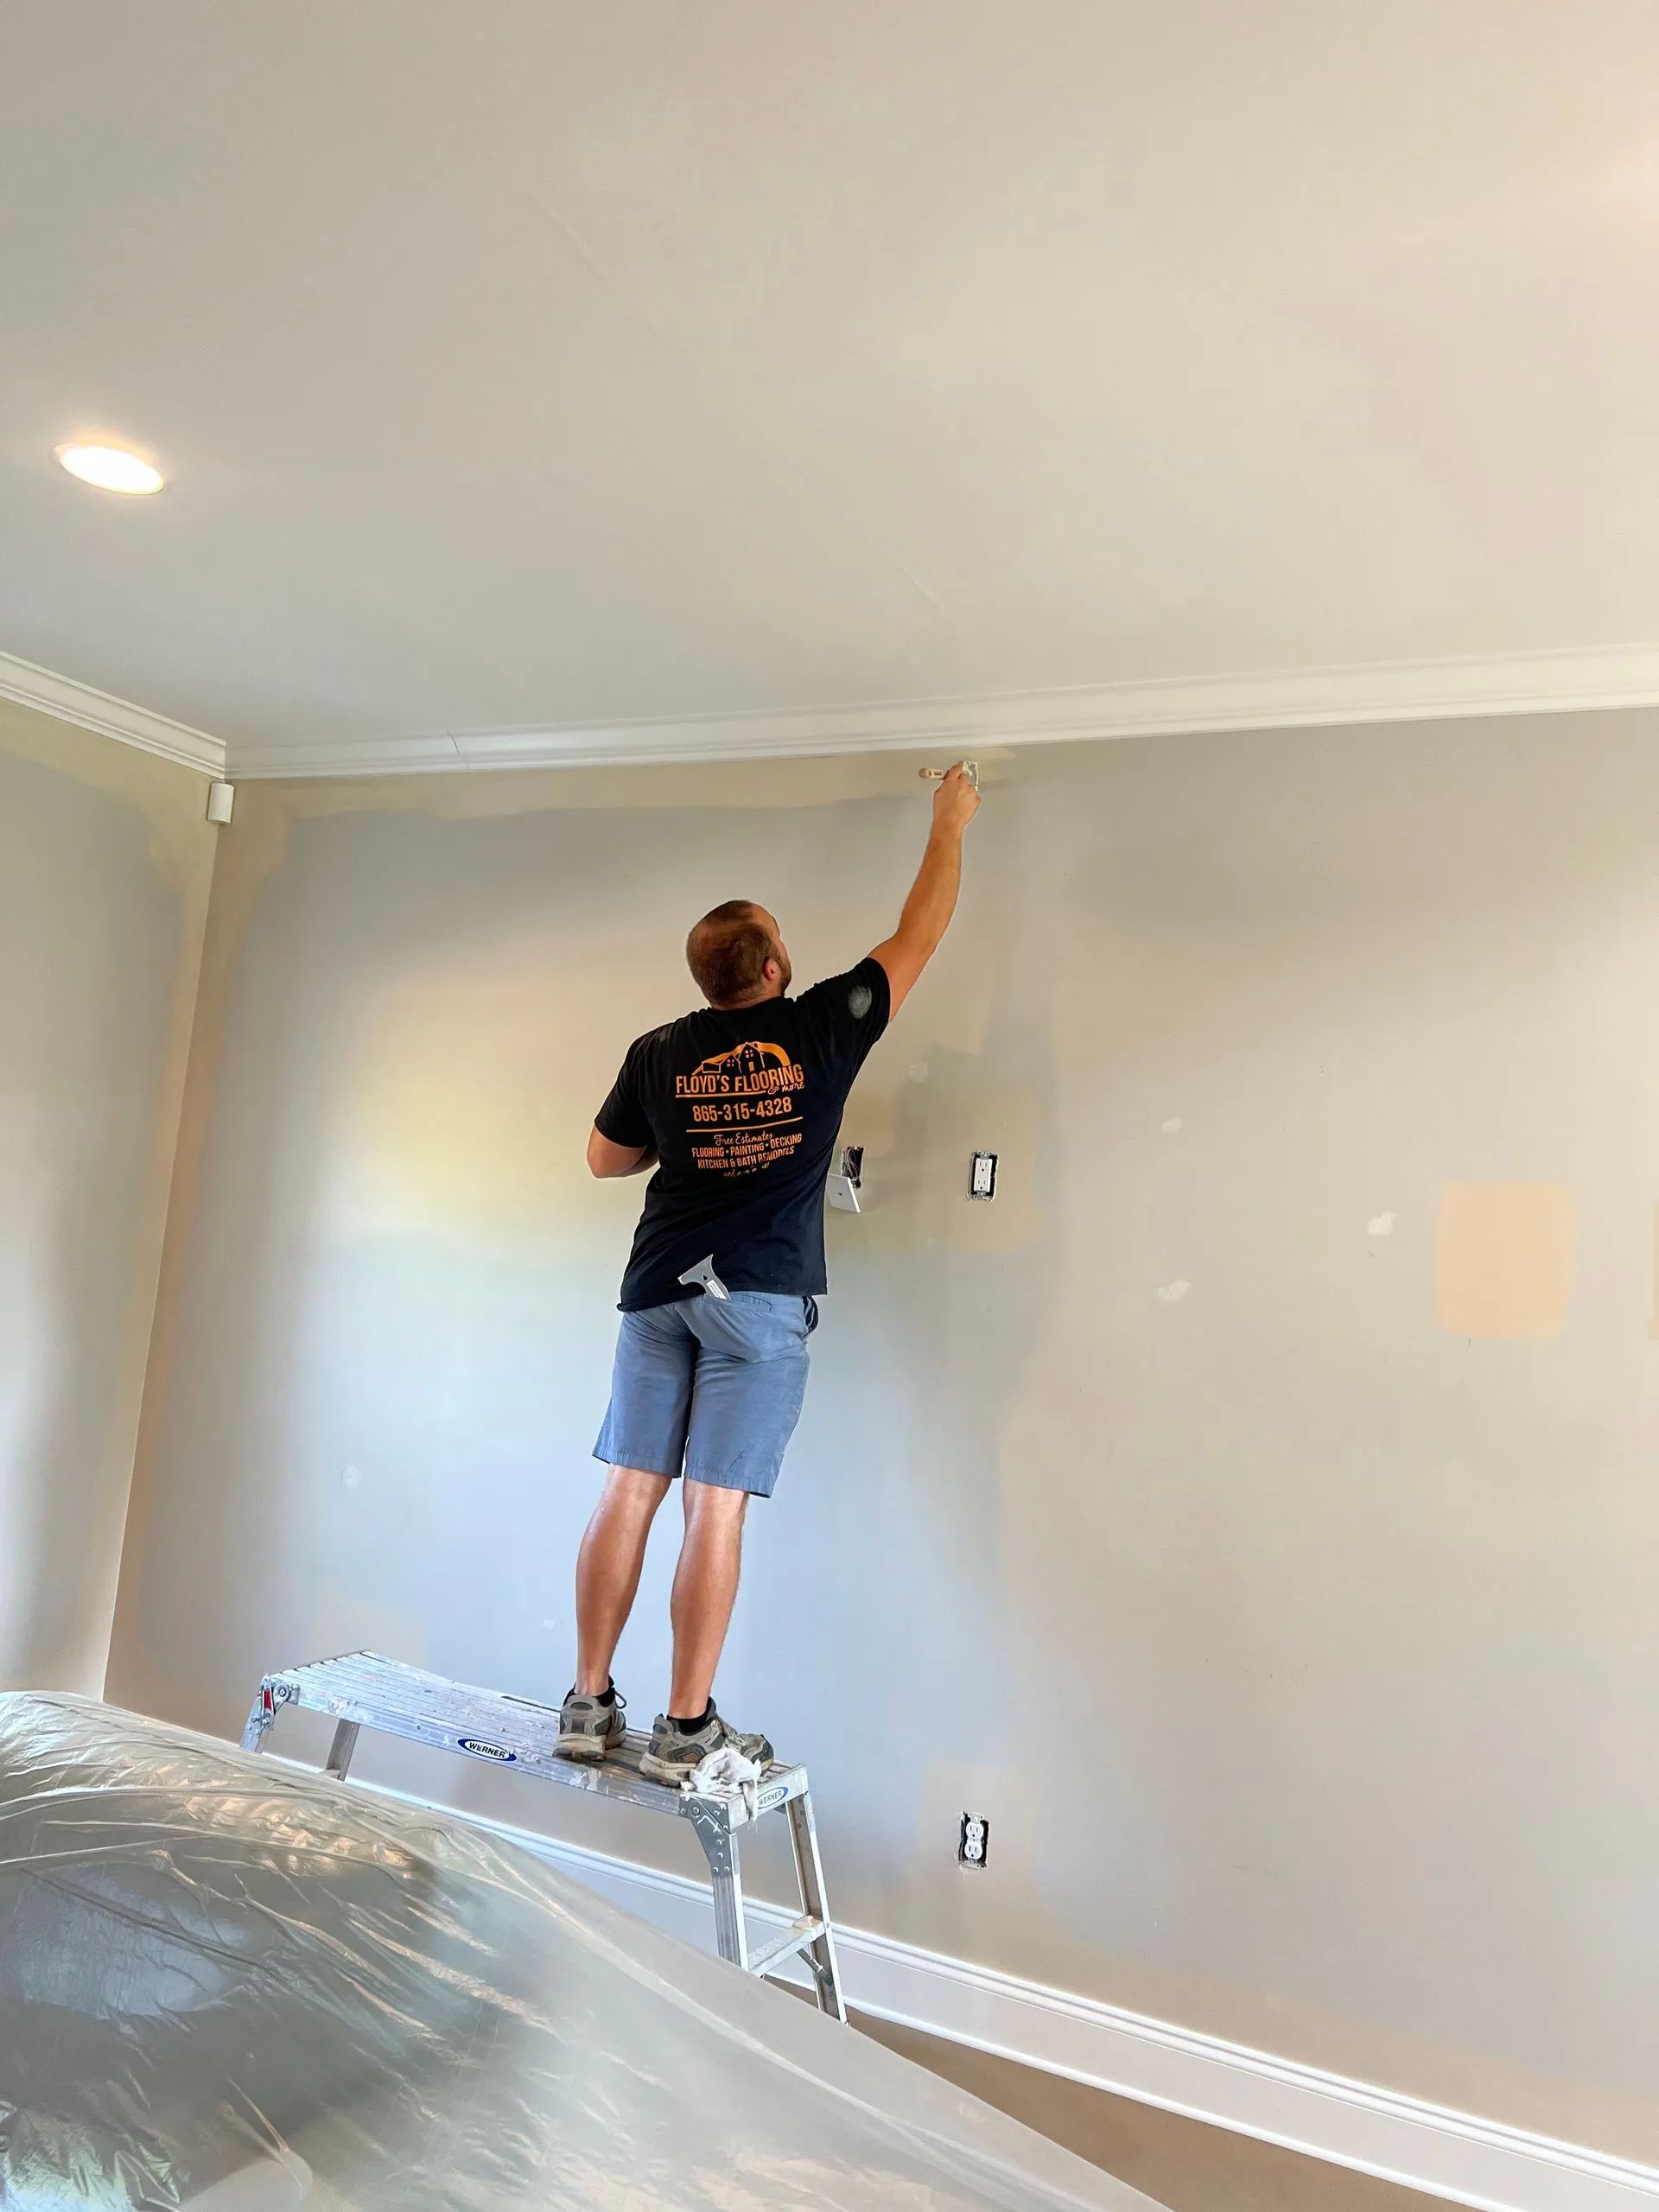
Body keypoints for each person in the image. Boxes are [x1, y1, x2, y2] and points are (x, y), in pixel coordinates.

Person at [558, 763, 982, 1779]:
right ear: (778, 962)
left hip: (658, 1290)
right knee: (716, 1506)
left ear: (707, 980)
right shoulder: (820, 1026)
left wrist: (687, 1127)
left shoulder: (659, 1048)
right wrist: (950, 818)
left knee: (629, 1492)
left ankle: (586, 1701)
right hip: (758, 1301)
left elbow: (605, 1159)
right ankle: (686, 1726)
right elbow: (917, 935)